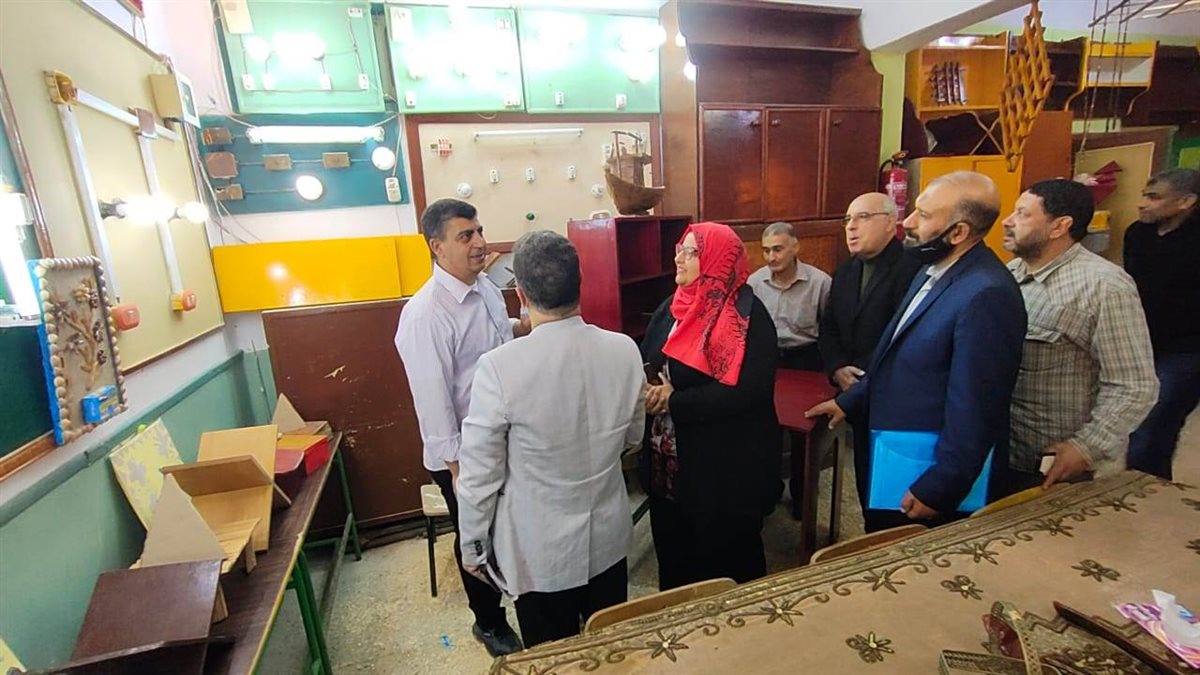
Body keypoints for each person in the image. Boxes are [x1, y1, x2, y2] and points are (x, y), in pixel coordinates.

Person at [806, 171, 1026, 532]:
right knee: (881, 537)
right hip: (890, 449)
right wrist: (850, 400)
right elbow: (893, 355)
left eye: (922, 215)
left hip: (924, 468)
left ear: (958, 232)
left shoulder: (986, 293)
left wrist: (942, 485)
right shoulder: (931, 271)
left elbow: (977, 404)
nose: (907, 223)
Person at [456, 231, 646, 648]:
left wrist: (472, 545)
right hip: (608, 537)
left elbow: (480, 476)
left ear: (520, 295)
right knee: (609, 649)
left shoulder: (499, 368)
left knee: (551, 655)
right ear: (580, 285)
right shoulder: (624, 350)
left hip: (539, 551)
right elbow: (633, 438)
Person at [393, 198, 527, 656]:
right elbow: (432, 402)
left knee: (508, 526)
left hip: (503, 434)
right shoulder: (425, 314)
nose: (479, 242)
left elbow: (496, 337)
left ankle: (522, 596)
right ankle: (488, 622)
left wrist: (525, 324)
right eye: (466, 236)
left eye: (479, 231)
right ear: (437, 246)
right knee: (476, 536)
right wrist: (456, 470)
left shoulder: (484, 286)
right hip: (463, 452)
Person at [641, 222, 780, 589]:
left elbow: (747, 392)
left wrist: (675, 400)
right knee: (676, 559)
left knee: (725, 563)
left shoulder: (746, 315)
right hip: (669, 462)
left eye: (692, 252)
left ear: (719, 259)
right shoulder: (672, 306)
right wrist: (650, 386)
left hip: (723, 471)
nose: (679, 258)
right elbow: (651, 358)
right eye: (680, 249)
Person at [1002, 179, 1157, 490]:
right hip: (1002, 449)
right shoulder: (1012, 272)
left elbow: (1134, 385)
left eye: (1023, 214)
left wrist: (1086, 447)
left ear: (1059, 226)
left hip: (1049, 464)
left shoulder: (1104, 286)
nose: (1008, 221)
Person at [818, 193, 922, 517]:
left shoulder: (913, 269)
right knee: (866, 482)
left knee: (894, 495)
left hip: (894, 399)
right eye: (848, 219)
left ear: (891, 222)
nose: (851, 227)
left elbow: (902, 338)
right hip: (854, 393)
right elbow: (828, 327)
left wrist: (859, 377)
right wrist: (837, 368)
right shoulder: (846, 271)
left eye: (862, 217)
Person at [1124, 168, 1200, 480]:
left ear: (1186, 202)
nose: (1142, 203)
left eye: (1154, 198)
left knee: (1152, 426)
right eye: (1144, 195)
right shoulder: (1137, 234)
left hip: (1186, 351)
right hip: (1141, 343)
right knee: (1134, 424)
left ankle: (1143, 492)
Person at [748, 221, 831, 372]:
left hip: (807, 358)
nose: (771, 258)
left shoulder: (820, 282)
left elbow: (832, 330)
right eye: (766, 251)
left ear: (795, 247)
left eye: (777, 249)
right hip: (766, 356)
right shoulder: (755, 283)